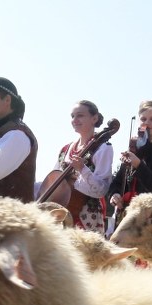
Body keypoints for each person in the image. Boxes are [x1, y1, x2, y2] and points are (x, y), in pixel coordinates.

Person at [42, 100, 113, 233]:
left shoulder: (103, 148)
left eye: (80, 115)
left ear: (94, 118)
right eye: (72, 116)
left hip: (86, 217)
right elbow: (54, 180)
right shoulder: (66, 149)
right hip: (59, 214)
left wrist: (82, 169)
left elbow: (102, 189)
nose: (74, 120)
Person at [107, 100, 152, 219]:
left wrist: (138, 165)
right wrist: (115, 194)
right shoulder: (135, 147)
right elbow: (118, 181)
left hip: (150, 215)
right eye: (143, 119)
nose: (147, 123)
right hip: (126, 213)